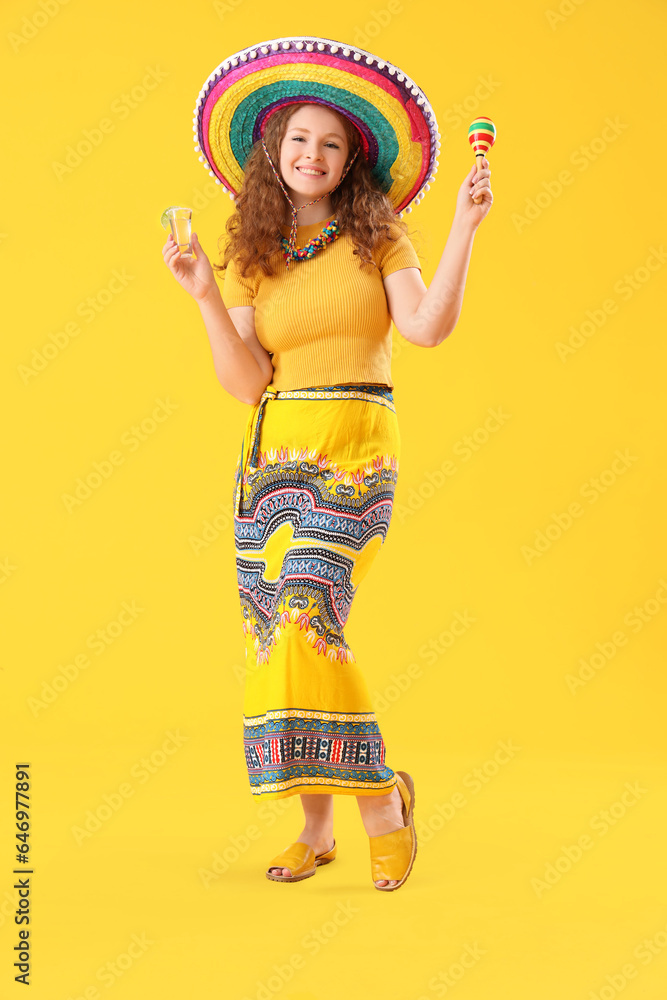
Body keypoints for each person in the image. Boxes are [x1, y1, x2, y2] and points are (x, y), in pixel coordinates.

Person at [162, 36, 493, 892]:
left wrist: (464, 224)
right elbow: (244, 383)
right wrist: (204, 292)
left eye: (331, 143)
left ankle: (380, 801)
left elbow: (424, 329)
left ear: (353, 160)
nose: (312, 154)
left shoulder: (378, 238)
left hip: (354, 446)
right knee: (275, 635)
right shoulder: (250, 254)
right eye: (298, 139)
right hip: (270, 458)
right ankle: (316, 826)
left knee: (308, 610)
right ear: (274, 152)